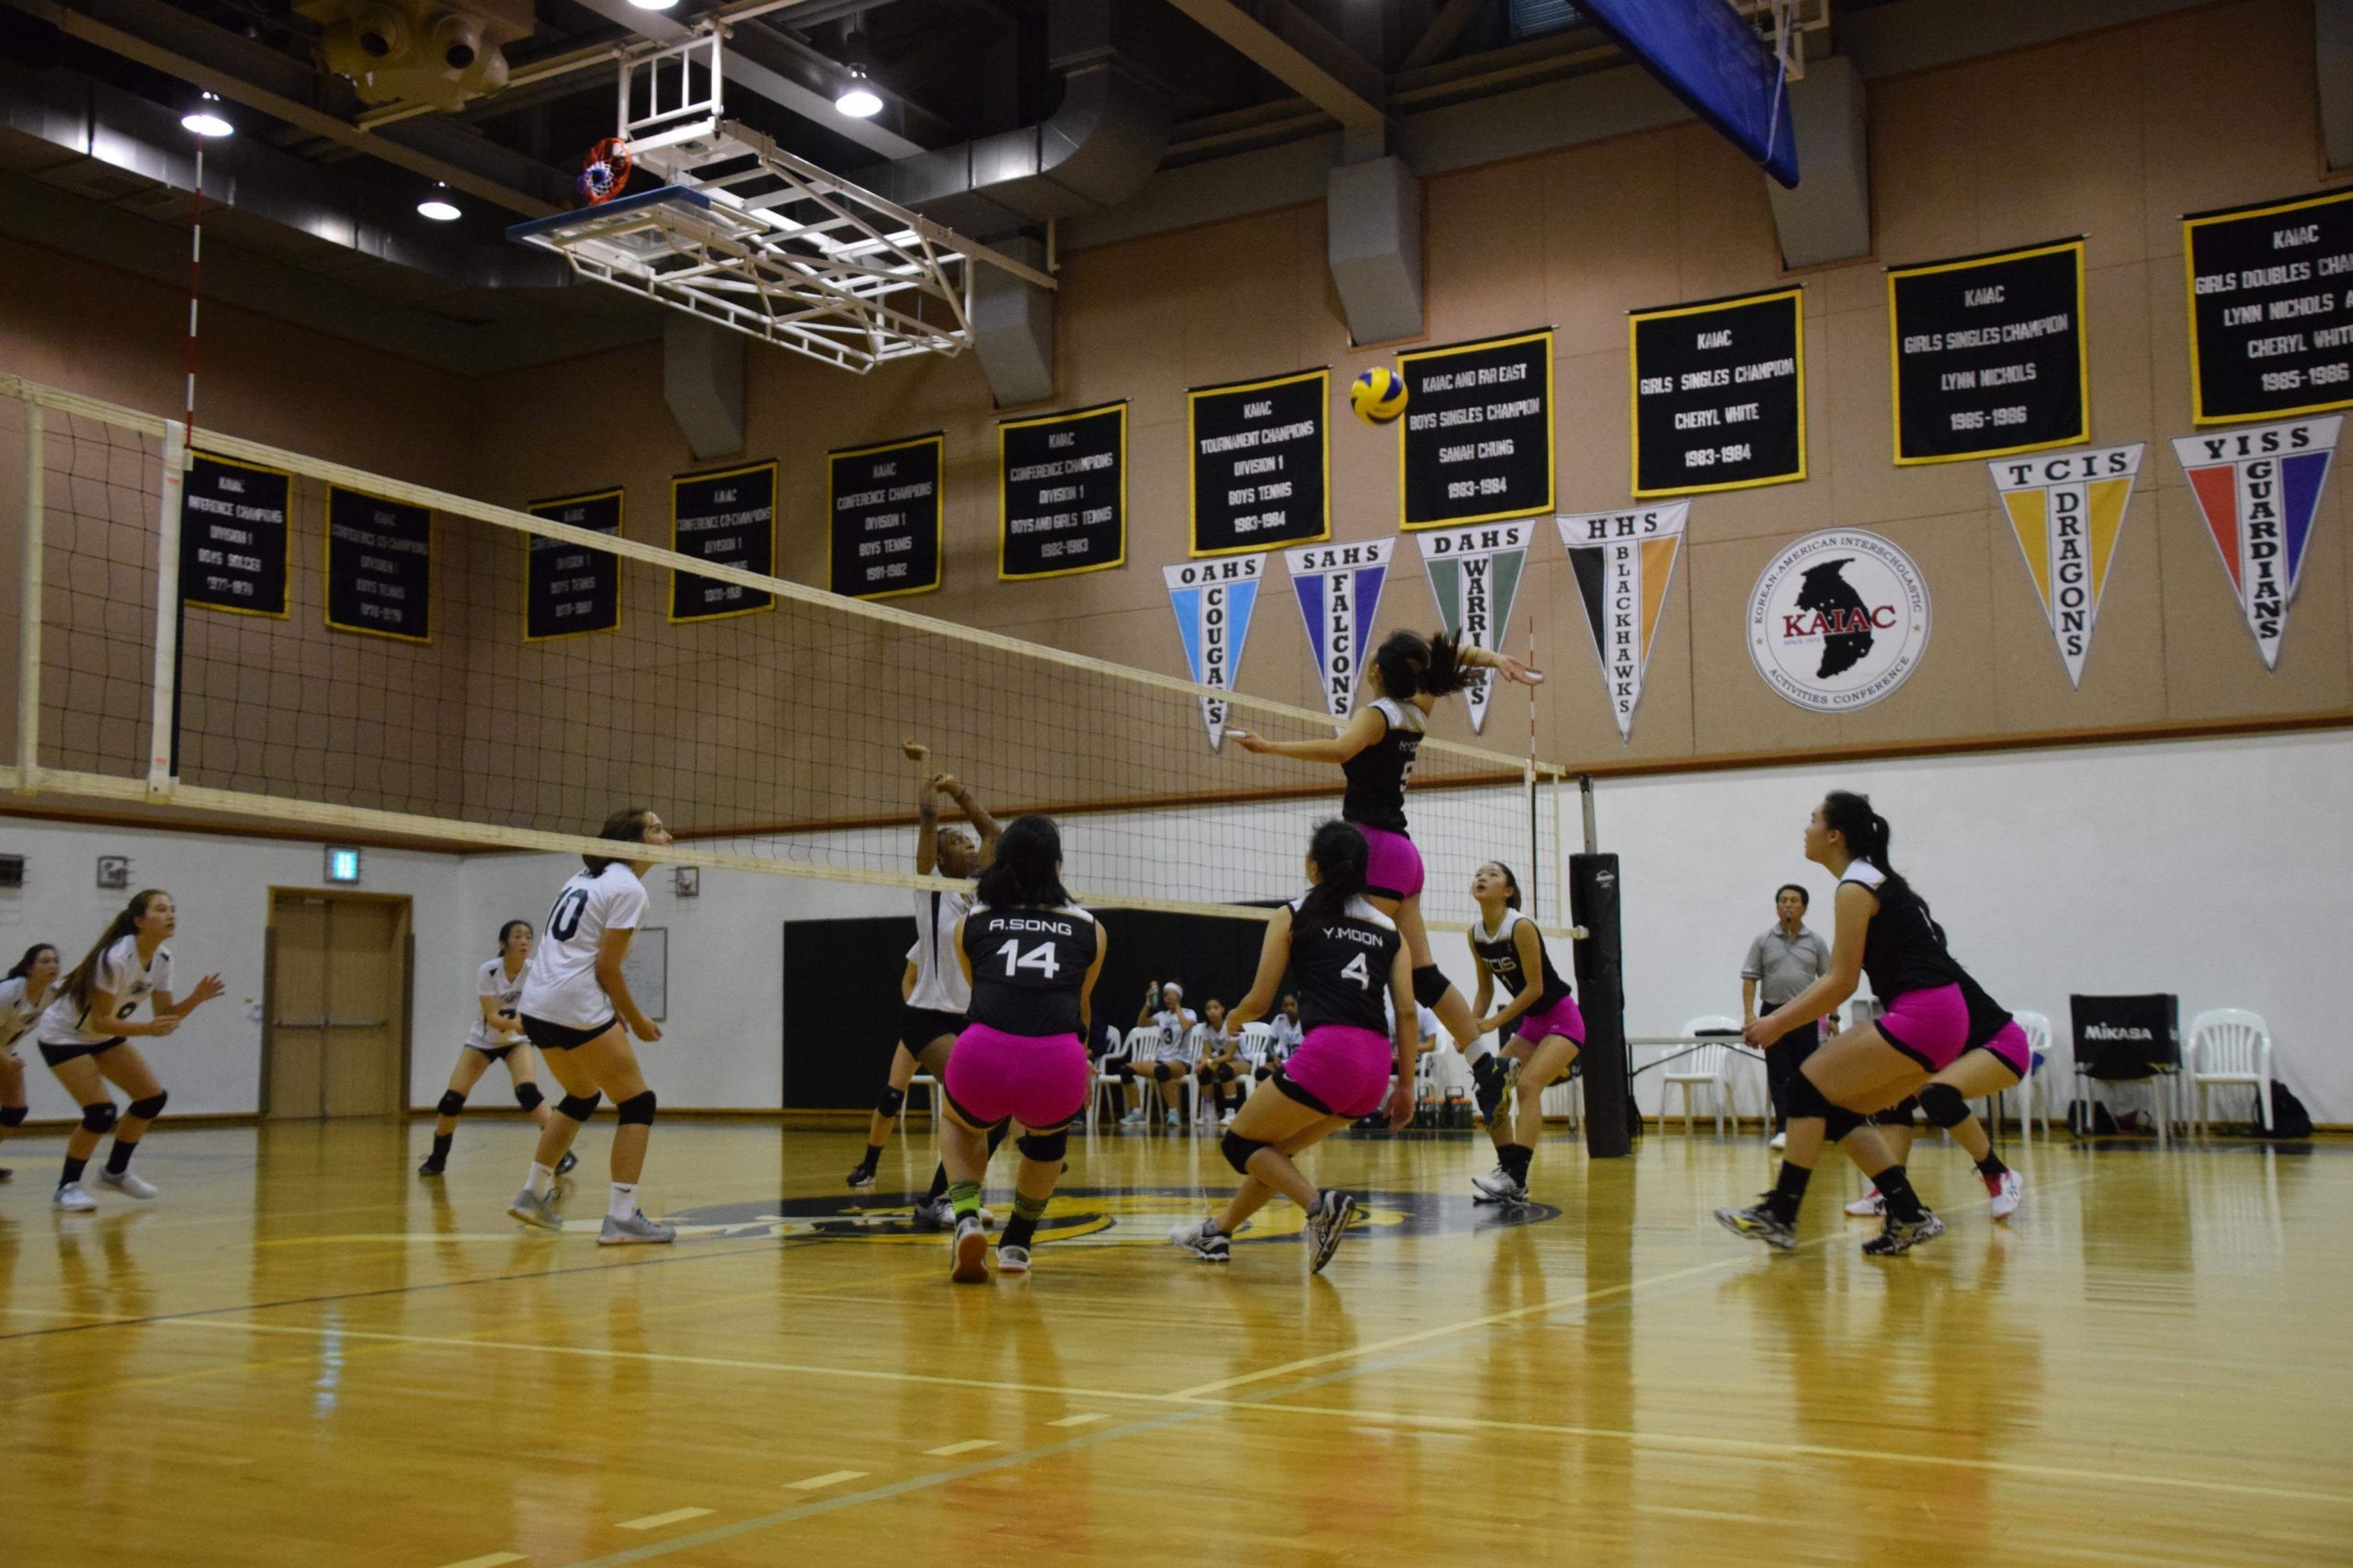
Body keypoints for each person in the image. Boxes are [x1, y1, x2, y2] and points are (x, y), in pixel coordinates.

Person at [1229, 630, 1542, 1131]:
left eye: (1372, 657)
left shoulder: (1376, 715)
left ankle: (1349, 1075)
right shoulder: (1417, 710)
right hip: (1404, 854)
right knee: (1422, 974)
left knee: (1356, 957)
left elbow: (1340, 751)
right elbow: (1442, 654)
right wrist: (1491, 658)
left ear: (1377, 673)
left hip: (1371, 847)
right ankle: (1487, 1064)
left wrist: (1270, 748)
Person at [1716, 792, 2029, 1256]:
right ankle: (1908, 1214)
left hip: (1926, 1013)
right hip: (1945, 1018)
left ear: (1834, 835)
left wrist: (1776, 1022)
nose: (1806, 828)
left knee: (1804, 1088)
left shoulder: (1855, 887)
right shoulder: (1873, 880)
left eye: (1813, 820)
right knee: (1837, 1107)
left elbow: (1841, 981)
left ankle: (1780, 1213)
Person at [1169, 822, 1415, 1276]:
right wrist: (1406, 1087)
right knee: (1275, 1153)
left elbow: (1261, 1000)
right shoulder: (1390, 929)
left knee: (1239, 1144)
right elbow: (1407, 1014)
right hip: (1376, 1067)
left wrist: (1236, 1021)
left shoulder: (1294, 913)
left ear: (1313, 866)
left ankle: (1319, 1204)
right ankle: (1217, 1231)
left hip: (1330, 1055)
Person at [938, 814, 1103, 1282]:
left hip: (983, 1054)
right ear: (1058, 866)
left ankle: (967, 1214)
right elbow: (1080, 1008)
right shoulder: (1091, 928)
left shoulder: (971, 923)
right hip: (1056, 1063)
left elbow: (980, 993)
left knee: (957, 1122)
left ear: (1002, 864)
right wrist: (1081, 1067)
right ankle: (1018, 1243)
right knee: (1047, 1139)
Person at [506, 807, 673, 1244]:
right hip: (572, 1002)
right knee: (638, 1103)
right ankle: (621, 1217)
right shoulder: (629, 888)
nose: (668, 836)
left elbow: (582, 957)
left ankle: (532, 1194)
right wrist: (636, 1019)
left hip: (539, 1003)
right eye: (656, 830)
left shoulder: (581, 878)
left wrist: (609, 1010)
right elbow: (607, 966)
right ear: (631, 842)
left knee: (580, 1095)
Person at [849, 746, 1003, 1211]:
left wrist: (961, 789)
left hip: (971, 1019)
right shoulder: (929, 886)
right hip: (929, 1018)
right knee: (973, 1102)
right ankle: (927, 1191)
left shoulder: (982, 894)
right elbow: (927, 817)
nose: (971, 847)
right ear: (939, 858)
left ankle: (939, 1196)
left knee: (993, 1111)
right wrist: (927, 774)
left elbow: (994, 831)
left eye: (969, 843)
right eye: (958, 844)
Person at [37, 891, 224, 1210]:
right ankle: (66, 1187)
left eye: (172, 909)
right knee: (100, 1112)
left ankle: (115, 1171)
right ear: (139, 920)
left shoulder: (163, 959)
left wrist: (196, 998)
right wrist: (147, 1029)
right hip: (64, 1035)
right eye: (161, 909)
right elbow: (103, 1019)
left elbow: (164, 1016)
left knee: (151, 1097)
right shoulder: (114, 958)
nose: (170, 915)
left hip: (101, 1034)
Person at [1464, 861, 1583, 1203]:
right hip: (1533, 1024)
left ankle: (1517, 1176)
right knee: (1491, 1085)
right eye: (1478, 874)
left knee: (1528, 1087)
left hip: (1562, 1019)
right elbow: (1485, 990)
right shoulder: (1475, 935)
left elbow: (1534, 988)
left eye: (1492, 874)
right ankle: (1507, 1172)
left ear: (1508, 891)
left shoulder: (1521, 927)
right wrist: (1471, 1029)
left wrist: (1494, 1024)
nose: (1482, 877)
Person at [418, 920, 574, 1178]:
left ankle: (562, 1154)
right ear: (503, 944)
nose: (524, 941)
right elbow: (492, 1017)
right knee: (452, 1099)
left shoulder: (535, 971)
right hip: (484, 1041)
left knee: (527, 1091)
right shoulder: (489, 971)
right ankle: (437, 1158)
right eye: (517, 936)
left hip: (515, 1043)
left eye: (528, 936)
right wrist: (520, 1025)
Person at [1742, 884, 1836, 1150]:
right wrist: (1749, 1015)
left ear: (1804, 907)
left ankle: (1808, 1128)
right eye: (1783, 900)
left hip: (1806, 1014)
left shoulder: (1815, 941)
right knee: (1779, 1073)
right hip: (1772, 1013)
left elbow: (1830, 980)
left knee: (1806, 1073)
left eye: (1794, 901)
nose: (1788, 905)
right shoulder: (1763, 940)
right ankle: (1783, 1129)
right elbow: (1750, 978)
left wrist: (1833, 1017)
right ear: (1777, 907)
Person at [0, 943, 62, 1182]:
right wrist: (6, 1057)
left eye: (55, 961)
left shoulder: (53, 992)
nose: (52, 966)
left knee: (15, 1109)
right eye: (45, 961)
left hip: (5, 1051)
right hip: (3, 1053)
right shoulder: (8, 993)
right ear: (29, 968)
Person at [1121, 981, 1197, 1128]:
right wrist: (1148, 1003)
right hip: (1161, 1060)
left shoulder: (1189, 1013)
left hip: (1181, 1062)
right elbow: (1141, 1023)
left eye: (1170, 995)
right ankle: (1137, 1112)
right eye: (1165, 995)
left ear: (1178, 995)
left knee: (1162, 1070)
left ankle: (1173, 1113)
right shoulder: (1162, 1015)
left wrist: (1177, 1007)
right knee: (1126, 1069)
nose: (1166, 998)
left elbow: (1186, 1026)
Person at [1190, 999, 1245, 1125]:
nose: (1212, 1011)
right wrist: (1203, 1062)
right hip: (1221, 1062)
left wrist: (1208, 1061)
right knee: (1203, 1071)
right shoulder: (1205, 1028)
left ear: (1222, 1009)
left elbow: (1229, 1056)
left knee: (1225, 1070)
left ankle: (1231, 1113)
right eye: (1208, 1008)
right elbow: (1206, 1052)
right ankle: (1209, 1112)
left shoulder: (1233, 1025)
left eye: (1215, 1007)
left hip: (1242, 1061)